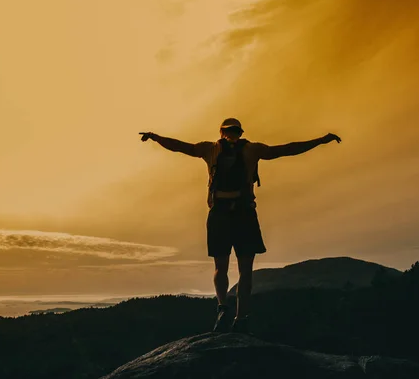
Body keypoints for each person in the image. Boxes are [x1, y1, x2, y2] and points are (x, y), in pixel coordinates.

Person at [140, 118, 341, 333]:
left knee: (220, 267)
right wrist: (320, 140)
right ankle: (241, 317)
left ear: (221, 132)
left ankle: (222, 308)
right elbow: (287, 150)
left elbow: (180, 147)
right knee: (246, 271)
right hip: (244, 213)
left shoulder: (210, 149)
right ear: (240, 132)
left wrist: (155, 137)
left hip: (219, 213)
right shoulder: (253, 150)